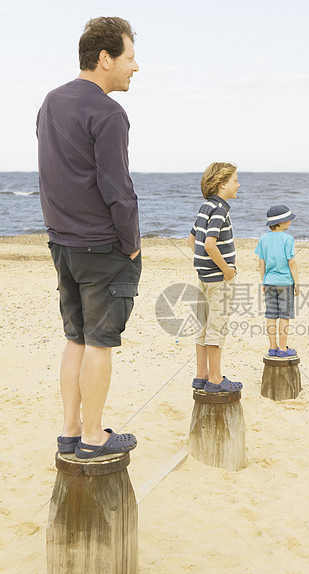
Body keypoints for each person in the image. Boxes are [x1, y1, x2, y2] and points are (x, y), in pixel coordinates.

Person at [37, 17, 141, 458]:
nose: (135, 67)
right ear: (105, 58)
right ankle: (93, 436)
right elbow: (117, 188)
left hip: (62, 244)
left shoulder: (50, 102)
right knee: (99, 341)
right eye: (130, 57)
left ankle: (70, 429)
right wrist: (132, 243)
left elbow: (53, 174)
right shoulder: (108, 111)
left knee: (75, 337)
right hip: (102, 247)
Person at [187, 162, 243, 393]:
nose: (239, 185)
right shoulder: (221, 210)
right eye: (235, 181)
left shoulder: (205, 207)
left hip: (203, 277)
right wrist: (226, 270)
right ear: (222, 184)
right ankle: (216, 379)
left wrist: (204, 263)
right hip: (219, 280)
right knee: (216, 328)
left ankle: (201, 375)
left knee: (203, 326)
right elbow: (210, 244)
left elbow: (192, 241)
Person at [255, 205, 299, 357]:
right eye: (288, 219)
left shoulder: (264, 238)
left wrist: (264, 281)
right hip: (285, 282)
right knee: (284, 316)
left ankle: (272, 348)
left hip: (269, 282)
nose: (290, 222)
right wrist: (297, 283)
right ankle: (282, 349)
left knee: (271, 316)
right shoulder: (288, 239)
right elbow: (291, 262)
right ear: (280, 222)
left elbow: (261, 262)